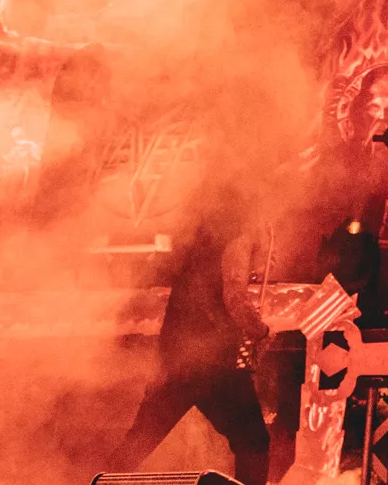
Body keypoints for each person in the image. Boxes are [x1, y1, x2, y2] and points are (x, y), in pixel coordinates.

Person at [108, 185, 273, 485]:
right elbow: (235, 300)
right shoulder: (237, 239)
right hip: (214, 366)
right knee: (254, 442)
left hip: (176, 360)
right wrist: (260, 332)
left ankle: (96, 481)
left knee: (139, 443)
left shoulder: (200, 243)